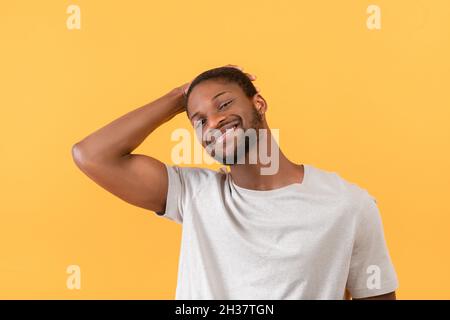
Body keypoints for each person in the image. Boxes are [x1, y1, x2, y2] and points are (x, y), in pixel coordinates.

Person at [72, 64, 398, 300]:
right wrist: (177, 97)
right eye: (198, 120)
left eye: (224, 104)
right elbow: (91, 155)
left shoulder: (348, 206)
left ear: (259, 103)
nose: (213, 122)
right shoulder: (193, 194)